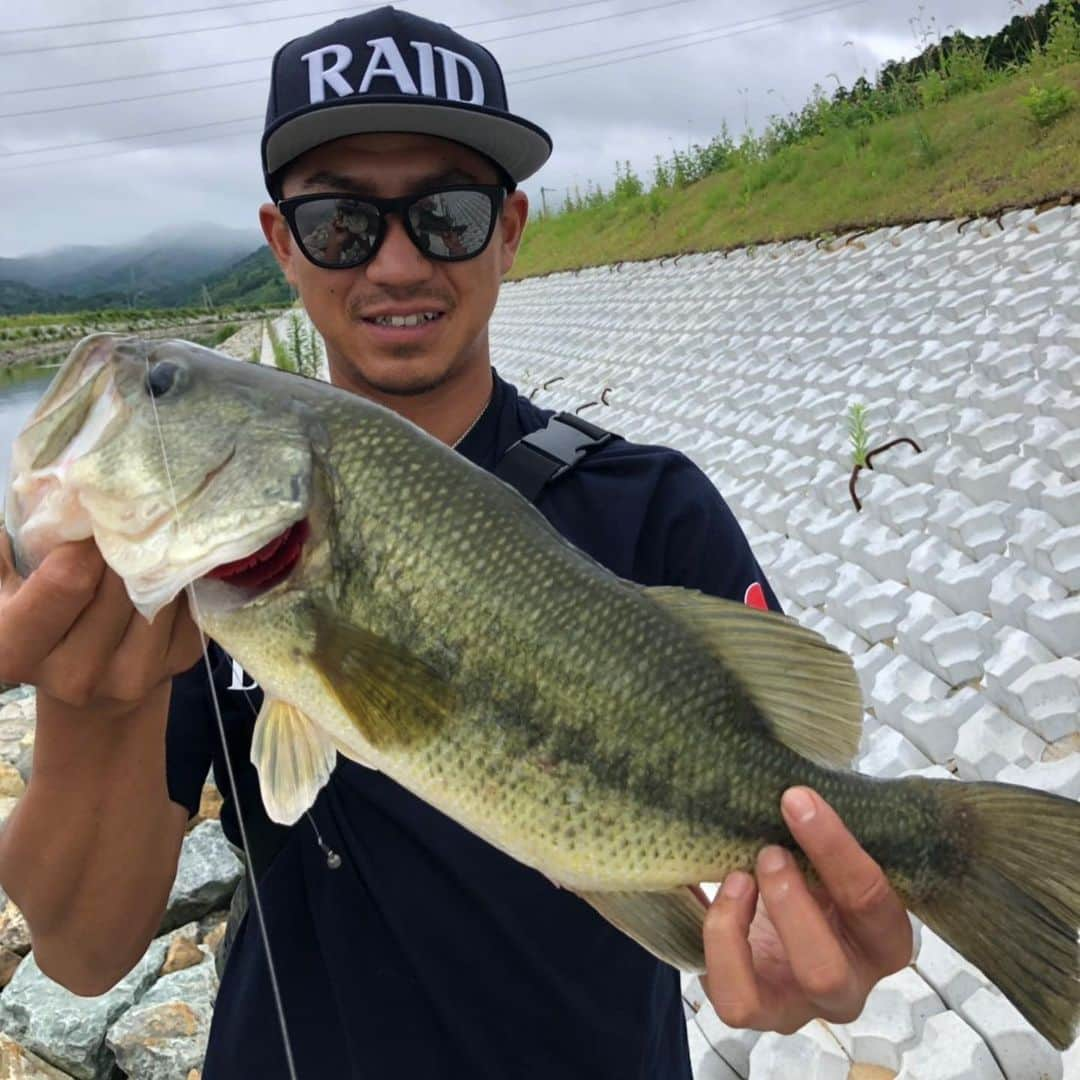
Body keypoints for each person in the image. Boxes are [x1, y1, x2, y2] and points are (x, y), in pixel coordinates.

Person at [0, 7, 914, 1077]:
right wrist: (88, 704)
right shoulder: (205, 581)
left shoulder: (652, 507)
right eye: (342, 222)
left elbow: (795, 798)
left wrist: (812, 936)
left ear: (512, 228)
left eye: (446, 215)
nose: (394, 262)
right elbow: (78, 952)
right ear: (281, 243)